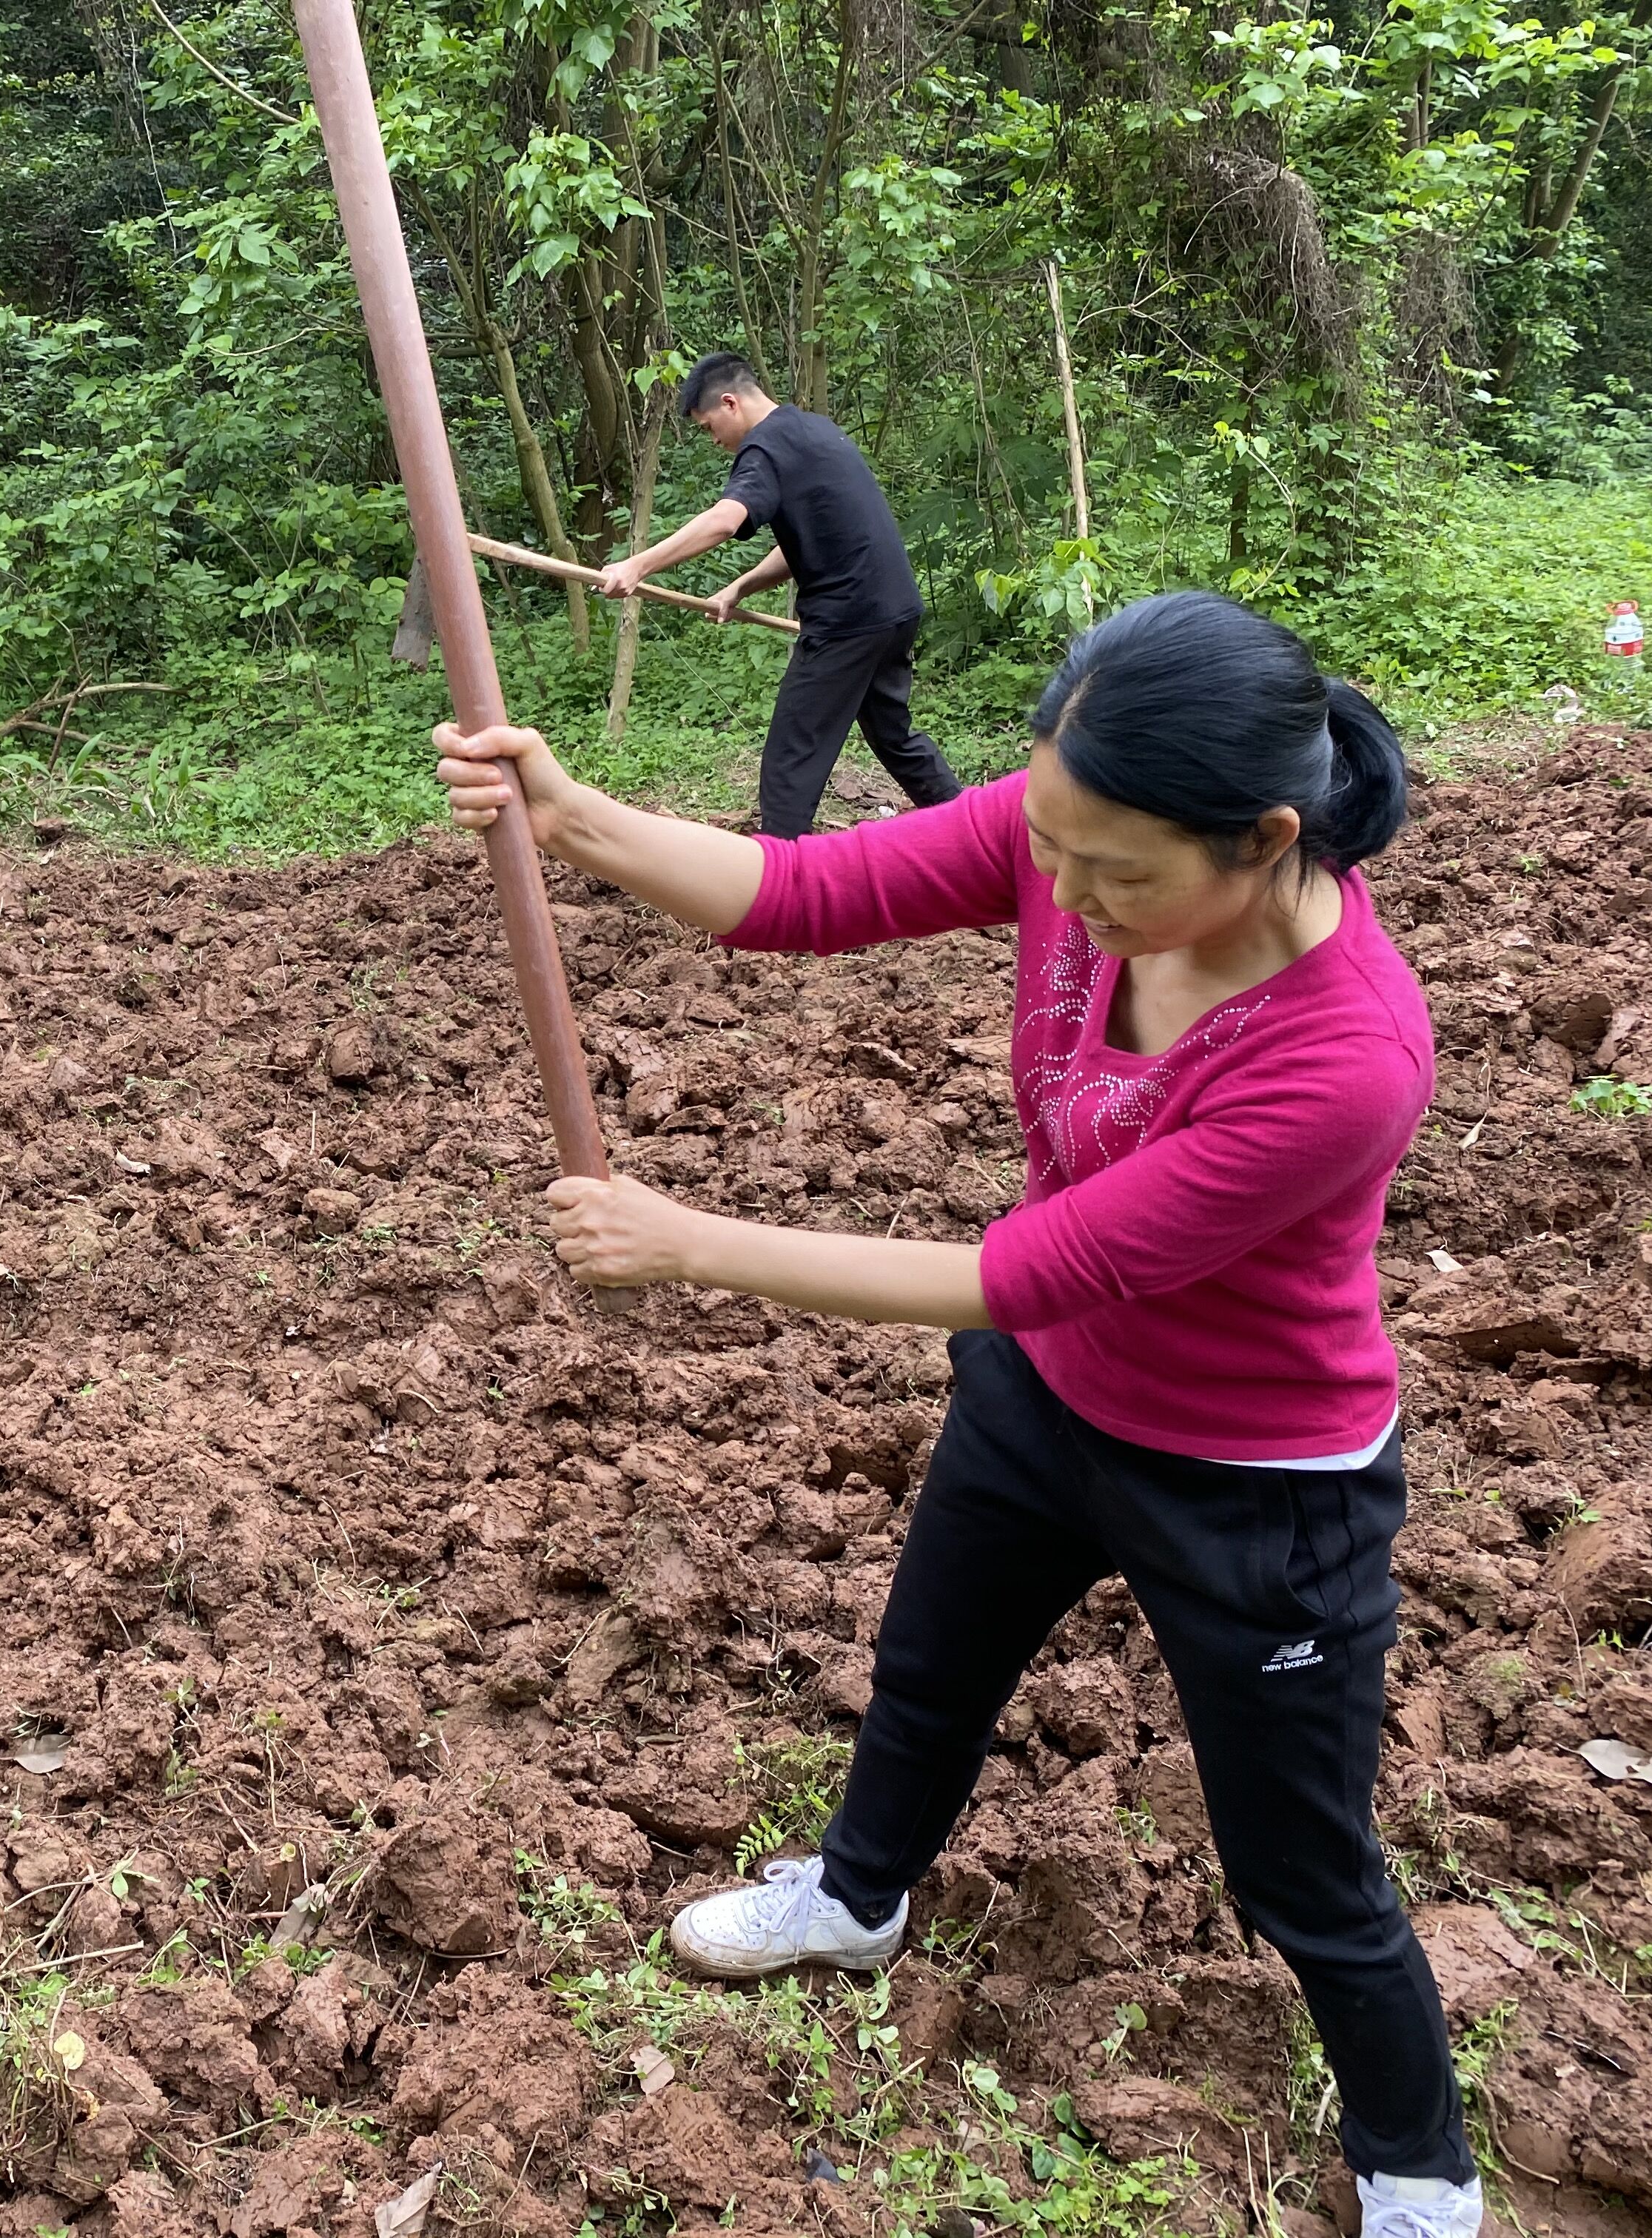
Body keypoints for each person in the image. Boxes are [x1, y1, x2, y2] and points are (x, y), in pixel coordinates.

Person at [434, 591, 1482, 2238]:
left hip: (1251, 1486)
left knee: (1302, 1871)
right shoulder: (1086, 817)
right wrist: (572, 818)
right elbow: (812, 891)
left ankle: (1420, 2171)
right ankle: (856, 1899)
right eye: (1044, 842)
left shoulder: (1344, 1053)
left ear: (1265, 839)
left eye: (1108, 873)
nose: (1060, 889)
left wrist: (688, 1241)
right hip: (1043, 1401)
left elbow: (1036, 1268)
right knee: (925, 1677)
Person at [597, 352, 962, 839]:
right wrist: (742, 586)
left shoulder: (766, 447)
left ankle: (781, 875)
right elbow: (813, 537)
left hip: (848, 622)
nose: (714, 440)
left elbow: (724, 520)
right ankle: (980, 835)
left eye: (709, 427)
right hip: (893, 610)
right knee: (894, 737)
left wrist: (636, 565)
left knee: (791, 762)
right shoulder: (814, 431)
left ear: (730, 403)